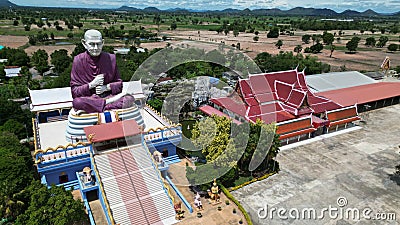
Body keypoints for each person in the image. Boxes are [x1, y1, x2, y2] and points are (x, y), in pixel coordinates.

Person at [70, 29, 134, 114]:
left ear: (103, 42)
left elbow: (119, 85)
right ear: (84, 43)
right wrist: (91, 85)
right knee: (77, 102)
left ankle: (97, 107)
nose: (96, 48)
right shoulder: (78, 60)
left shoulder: (111, 59)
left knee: (129, 99)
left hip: (108, 97)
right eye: (92, 44)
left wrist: (106, 87)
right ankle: (106, 105)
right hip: (90, 98)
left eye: (98, 44)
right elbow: (75, 92)